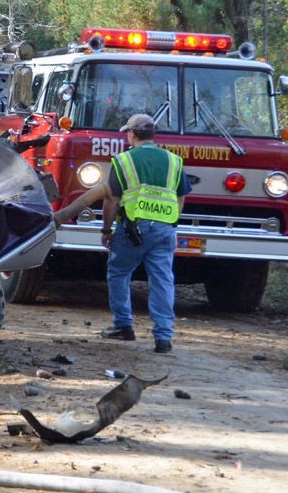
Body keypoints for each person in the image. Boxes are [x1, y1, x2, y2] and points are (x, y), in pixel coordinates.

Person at [54, 113, 191, 353]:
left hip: (134, 230)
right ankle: (163, 338)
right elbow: (181, 198)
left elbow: (111, 199)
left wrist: (106, 230)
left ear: (132, 134)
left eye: (127, 132)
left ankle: (123, 326)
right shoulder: (174, 161)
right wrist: (169, 222)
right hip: (164, 229)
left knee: (119, 272)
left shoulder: (123, 161)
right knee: (162, 279)